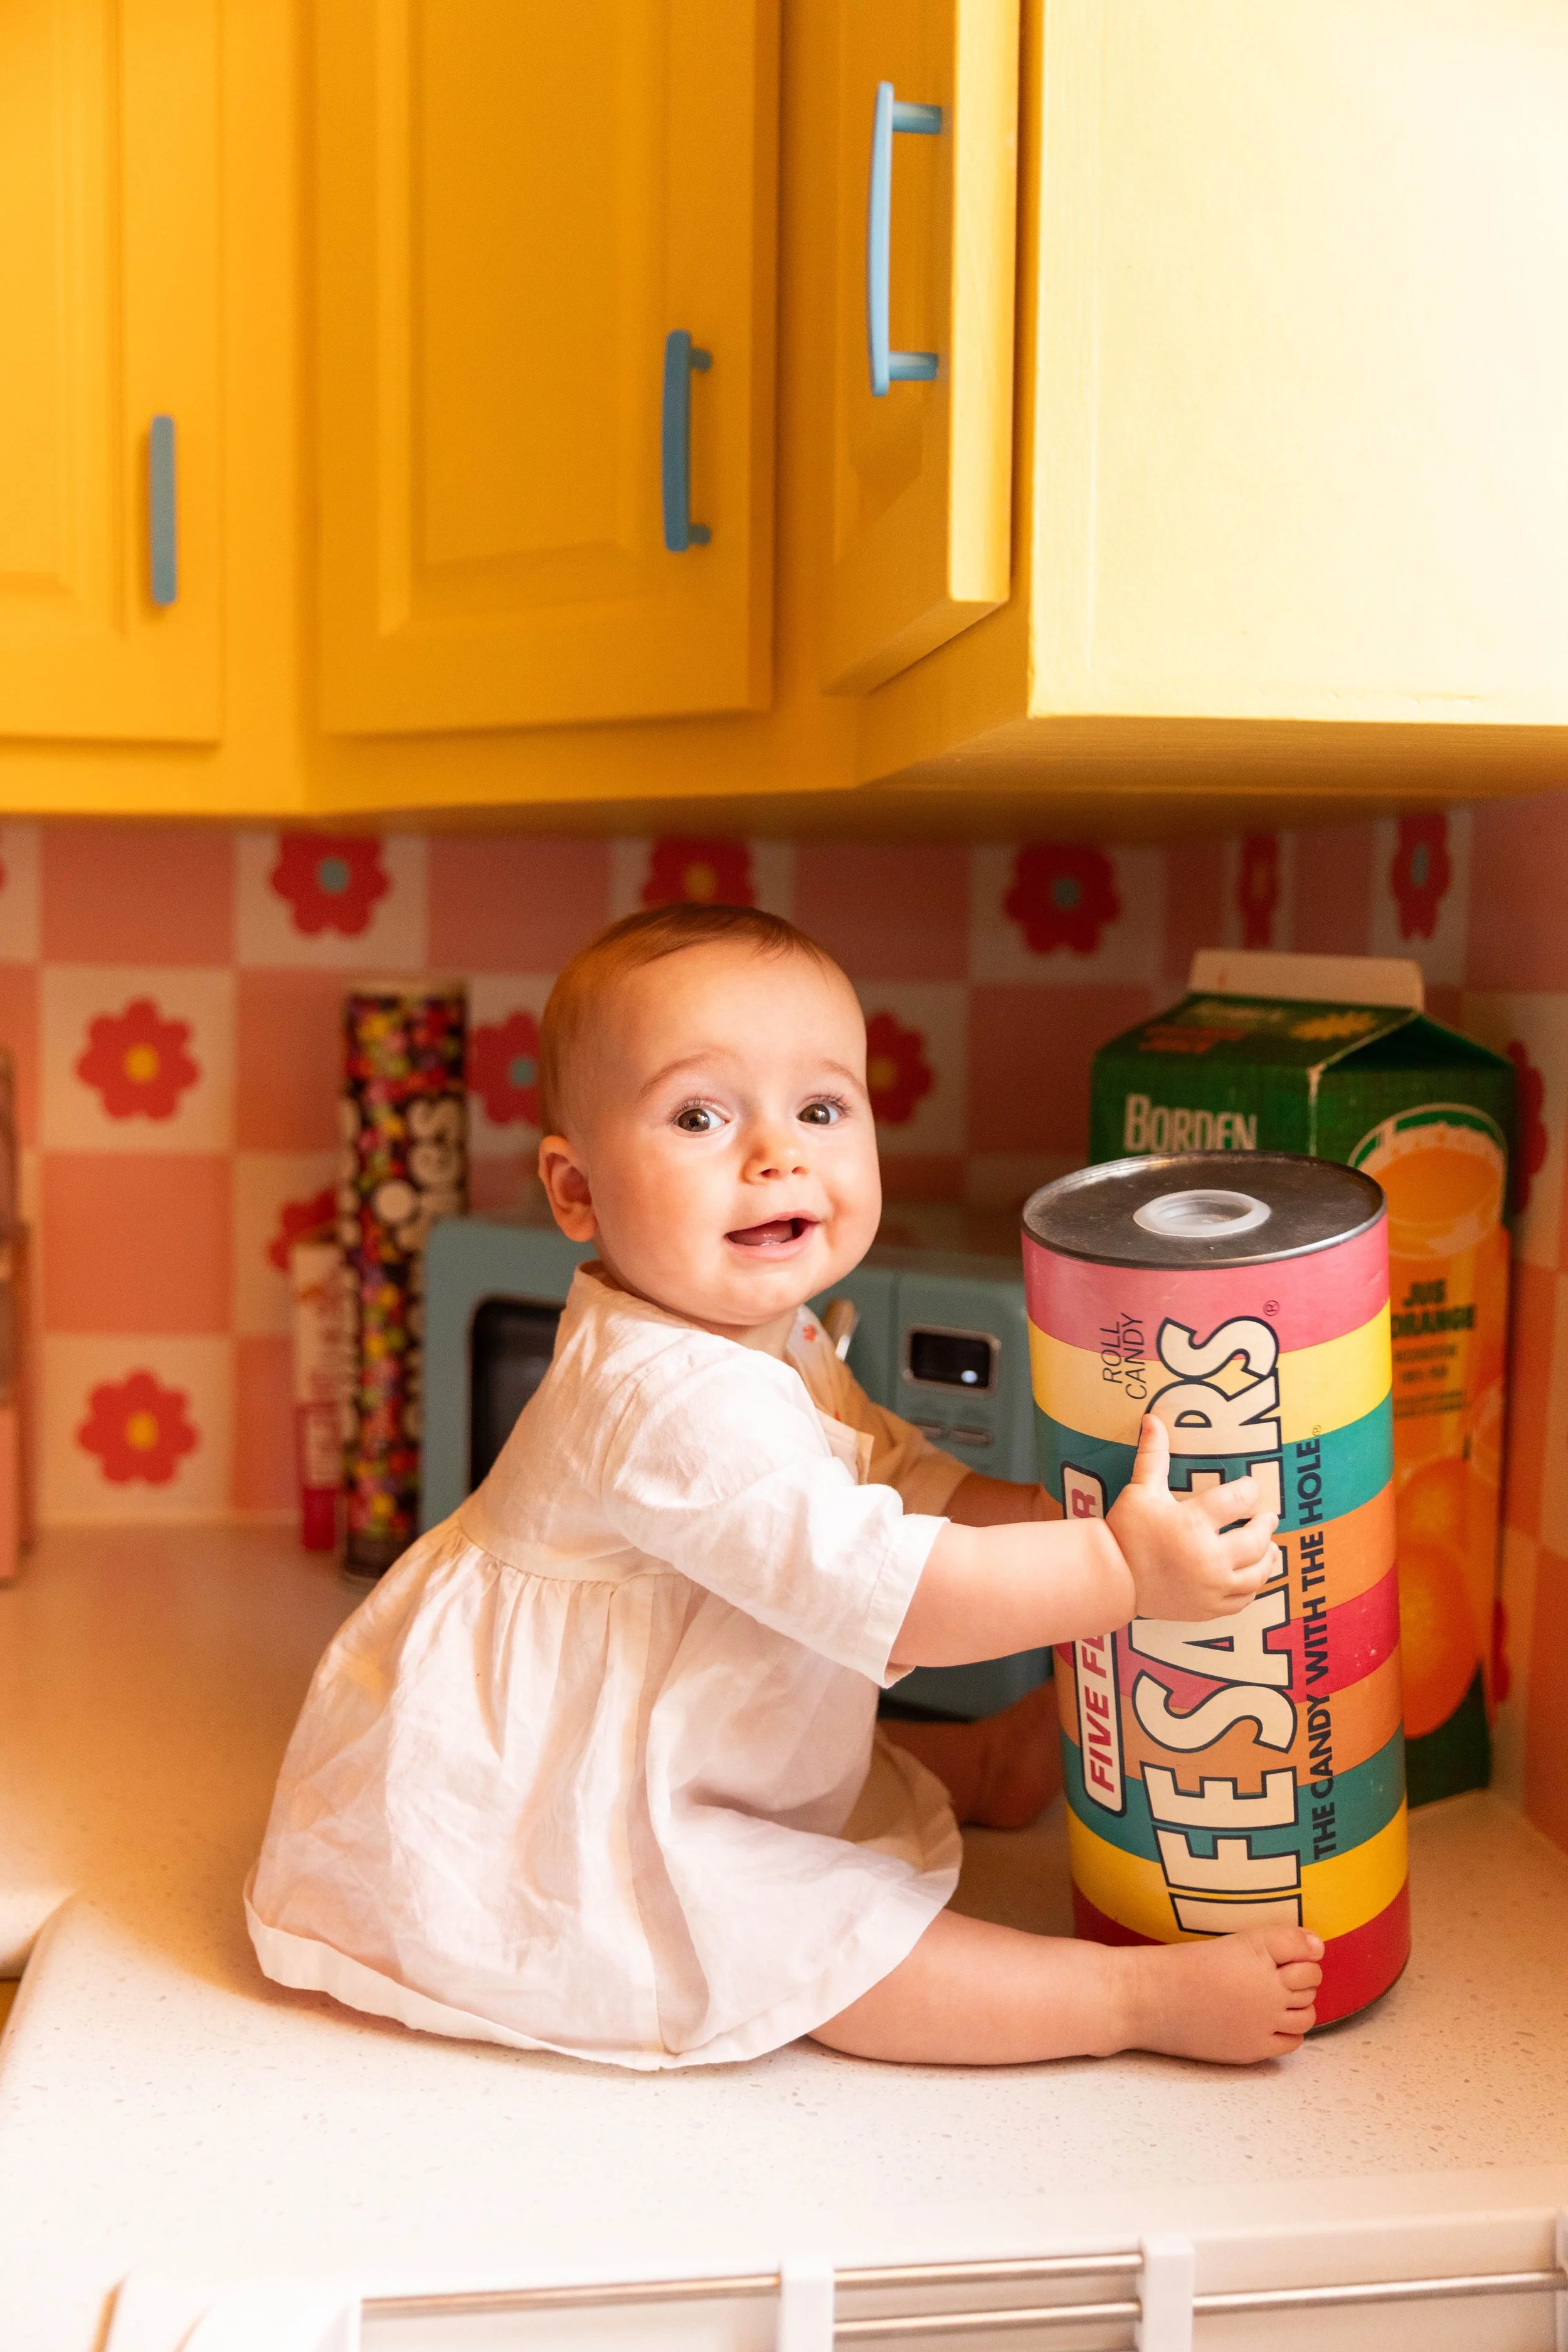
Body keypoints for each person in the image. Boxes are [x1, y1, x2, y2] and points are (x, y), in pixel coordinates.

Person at [246, 904, 1321, 2070]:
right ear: (576, 1191)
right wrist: (1119, 1569)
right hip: (564, 1811)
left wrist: (1069, 1518)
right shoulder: (664, 1398)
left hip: (683, 1726)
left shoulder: (774, 1332)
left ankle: (964, 1773)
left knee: (807, 1790)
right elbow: (897, 1592)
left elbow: (899, 1484)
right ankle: (1128, 2006)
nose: (777, 1154)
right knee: (813, 1940)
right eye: (701, 1116)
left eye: (820, 1108)